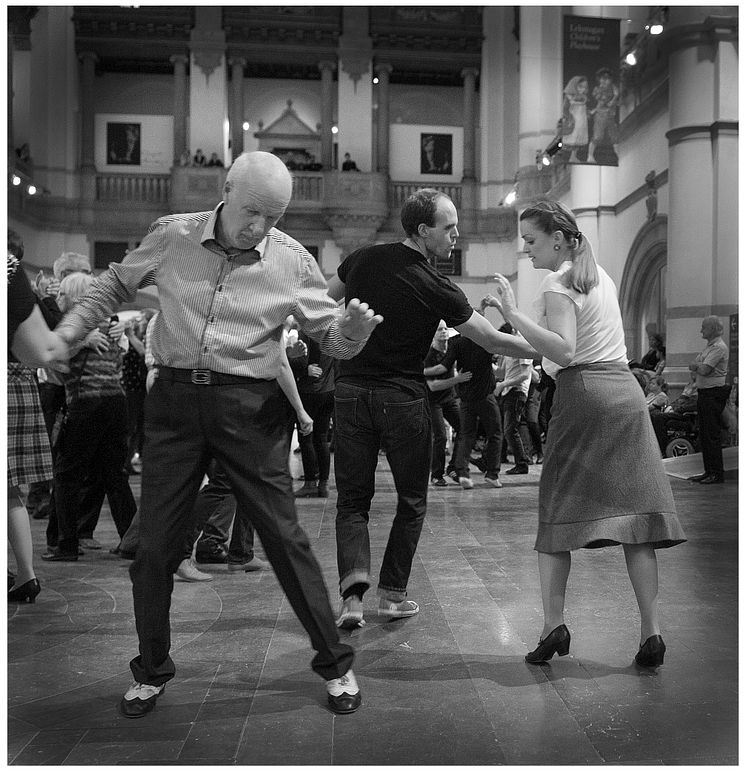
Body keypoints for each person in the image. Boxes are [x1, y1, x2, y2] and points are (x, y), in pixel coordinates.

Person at [54, 151, 383, 718]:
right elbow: (113, 285)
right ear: (226, 190)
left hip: (249, 408)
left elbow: (329, 339)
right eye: (252, 211)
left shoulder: (292, 261)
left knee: (284, 538)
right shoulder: (171, 236)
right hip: (174, 403)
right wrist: (68, 330)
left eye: (273, 217)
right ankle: (151, 669)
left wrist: (352, 333)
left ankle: (335, 663)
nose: (259, 227)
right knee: (153, 545)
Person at [483, 199, 685, 669]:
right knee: (638, 522)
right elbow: (554, 344)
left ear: (557, 239)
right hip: (624, 394)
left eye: (530, 241)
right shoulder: (600, 275)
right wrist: (493, 337)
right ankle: (651, 633)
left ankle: (554, 625)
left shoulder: (558, 281)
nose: (527, 250)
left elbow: (565, 349)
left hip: (585, 395)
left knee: (556, 513)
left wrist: (511, 312)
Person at [327, 188, 534, 630]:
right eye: (449, 226)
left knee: (352, 501)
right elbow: (494, 341)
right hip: (401, 398)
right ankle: (393, 595)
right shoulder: (439, 286)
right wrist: (550, 347)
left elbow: (324, 303)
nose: (457, 234)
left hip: (350, 393)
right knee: (412, 499)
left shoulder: (362, 258)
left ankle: (352, 600)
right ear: (423, 231)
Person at [41, 273, 137, 562]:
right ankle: (134, 541)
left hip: (88, 403)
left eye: (62, 295)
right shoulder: (110, 324)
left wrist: (77, 344)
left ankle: (67, 545)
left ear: (73, 296)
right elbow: (120, 356)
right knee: (115, 475)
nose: (59, 299)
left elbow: (52, 359)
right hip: (115, 403)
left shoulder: (75, 327)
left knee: (67, 474)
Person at [7, 230, 69, 605]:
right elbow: (39, 351)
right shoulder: (8, 271)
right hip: (15, 381)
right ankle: (26, 575)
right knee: (10, 489)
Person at [430, 318, 505, 490]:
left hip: (465, 399)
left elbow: (443, 367)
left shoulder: (456, 343)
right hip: (485, 396)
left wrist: (424, 371)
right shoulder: (484, 342)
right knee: (495, 434)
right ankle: (492, 474)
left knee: (466, 435)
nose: (443, 332)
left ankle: (462, 473)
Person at [423, 321, 469, 487]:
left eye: (445, 329)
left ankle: (453, 468)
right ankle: (436, 474)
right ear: (433, 333)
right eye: (439, 329)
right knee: (441, 436)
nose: (443, 332)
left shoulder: (451, 348)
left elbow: (469, 330)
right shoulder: (429, 355)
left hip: (449, 399)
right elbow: (433, 386)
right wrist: (457, 380)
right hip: (433, 401)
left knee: (464, 430)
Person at [687, 316, 730, 484]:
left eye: (703, 327)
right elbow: (696, 365)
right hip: (705, 393)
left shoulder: (719, 347)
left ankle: (716, 473)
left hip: (713, 394)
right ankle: (708, 471)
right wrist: (698, 365)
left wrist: (697, 365)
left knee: (712, 435)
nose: (701, 331)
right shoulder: (709, 347)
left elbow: (703, 369)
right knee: (704, 434)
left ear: (712, 329)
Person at [494, 322, 533, 475]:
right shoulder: (509, 351)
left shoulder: (523, 347)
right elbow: (502, 372)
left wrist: (504, 384)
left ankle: (522, 463)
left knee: (510, 429)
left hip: (517, 392)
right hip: (508, 391)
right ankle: (519, 461)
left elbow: (525, 374)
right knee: (507, 429)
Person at [561, 75, 589, 163]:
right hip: (573, 120)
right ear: (574, 86)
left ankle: (573, 156)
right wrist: (569, 118)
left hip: (581, 120)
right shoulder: (569, 97)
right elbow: (565, 108)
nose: (582, 89)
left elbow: (583, 108)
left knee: (578, 139)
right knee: (571, 138)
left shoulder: (583, 98)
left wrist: (588, 113)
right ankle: (567, 156)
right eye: (580, 87)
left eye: (584, 87)